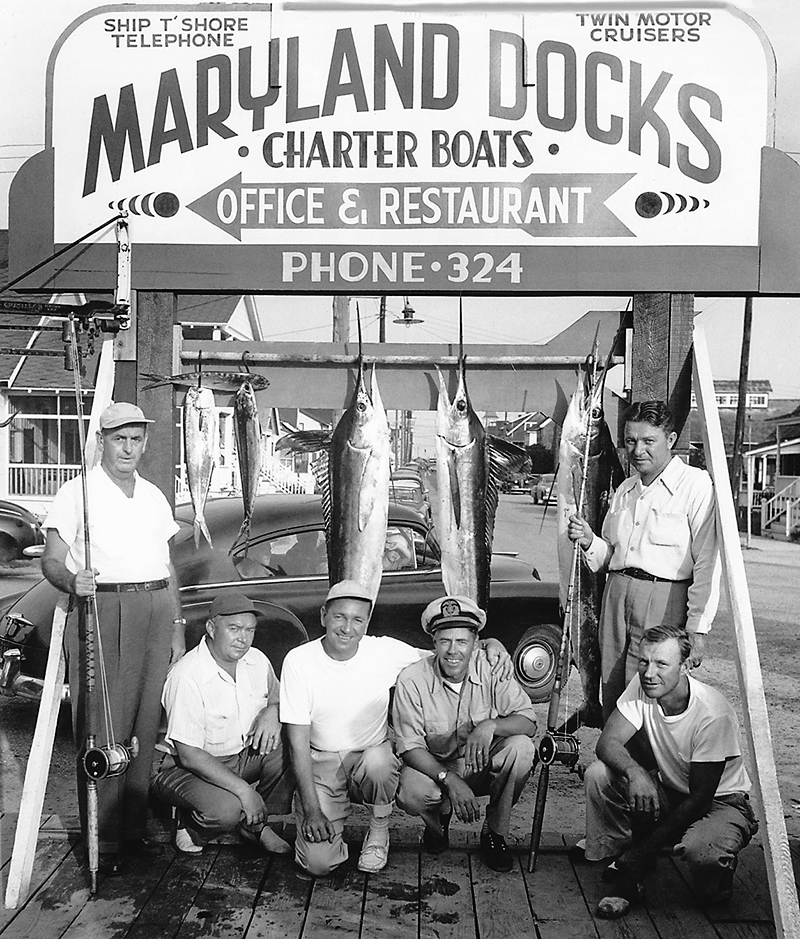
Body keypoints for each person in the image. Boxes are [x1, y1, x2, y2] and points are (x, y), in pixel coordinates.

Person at [280, 581, 511, 877]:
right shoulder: (300, 661)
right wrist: (312, 810)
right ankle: (326, 823)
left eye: (357, 619)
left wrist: (490, 644)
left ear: (367, 623)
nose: (347, 628)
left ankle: (378, 832)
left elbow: (444, 653)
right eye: (339, 617)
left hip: (371, 759)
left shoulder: (383, 651)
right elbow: (297, 745)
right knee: (318, 863)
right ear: (324, 615)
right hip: (320, 762)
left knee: (380, 761)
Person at [41, 401, 185, 874]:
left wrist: (178, 625)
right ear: (102, 441)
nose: (128, 447)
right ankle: (103, 838)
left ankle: (133, 831)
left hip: (156, 606)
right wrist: (70, 580)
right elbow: (51, 560)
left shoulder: (153, 495)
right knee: (102, 722)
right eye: (119, 438)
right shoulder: (76, 491)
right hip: (104, 606)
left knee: (145, 724)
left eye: (136, 438)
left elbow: (167, 567)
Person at [580, 624, 758, 919]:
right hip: (672, 790)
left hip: (721, 803)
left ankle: (712, 871)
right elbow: (607, 743)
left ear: (685, 666)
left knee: (703, 860)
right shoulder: (644, 685)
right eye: (643, 661)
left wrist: (643, 851)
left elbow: (700, 799)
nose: (649, 673)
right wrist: (636, 773)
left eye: (662, 663)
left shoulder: (712, 712)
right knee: (601, 774)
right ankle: (631, 878)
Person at [567, 400, 720, 720]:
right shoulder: (624, 490)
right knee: (612, 688)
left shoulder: (695, 484)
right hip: (616, 595)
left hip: (664, 598)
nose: (638, 450)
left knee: (650, 690)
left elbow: (707, 562)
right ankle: (615, 764)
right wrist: (588, 540)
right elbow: (611, 556)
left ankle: (648, 769)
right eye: (631, 440)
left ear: (671, 439)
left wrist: (698, 628)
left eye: (648, 441)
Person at [393, 595, 537, 873]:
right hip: (436, 767)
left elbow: (528, 722)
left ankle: (494, 833)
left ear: (475, 643)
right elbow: (409, 747)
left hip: (480, 763)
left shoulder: (492, 665)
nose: (453, 651)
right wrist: (450, 780)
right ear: (433, 643)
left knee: (521, 749)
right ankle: (438, 823)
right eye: (444, 641)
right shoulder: (412, 679)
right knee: (412, 791)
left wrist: (491, 725)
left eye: (461, 641)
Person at [150, 592, 294, 855]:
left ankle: (256, 826)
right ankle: (191, 824)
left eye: (250, 630)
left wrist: (273, 711)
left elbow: (282, 699)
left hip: (238, 757)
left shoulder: (257, 660)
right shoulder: (187, 675)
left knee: (291, 744)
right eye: (234, 629)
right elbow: (190, 755)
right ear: (211, 628)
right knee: (226, 811)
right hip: (184, 768)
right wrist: (244, 792)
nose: (243, 638)